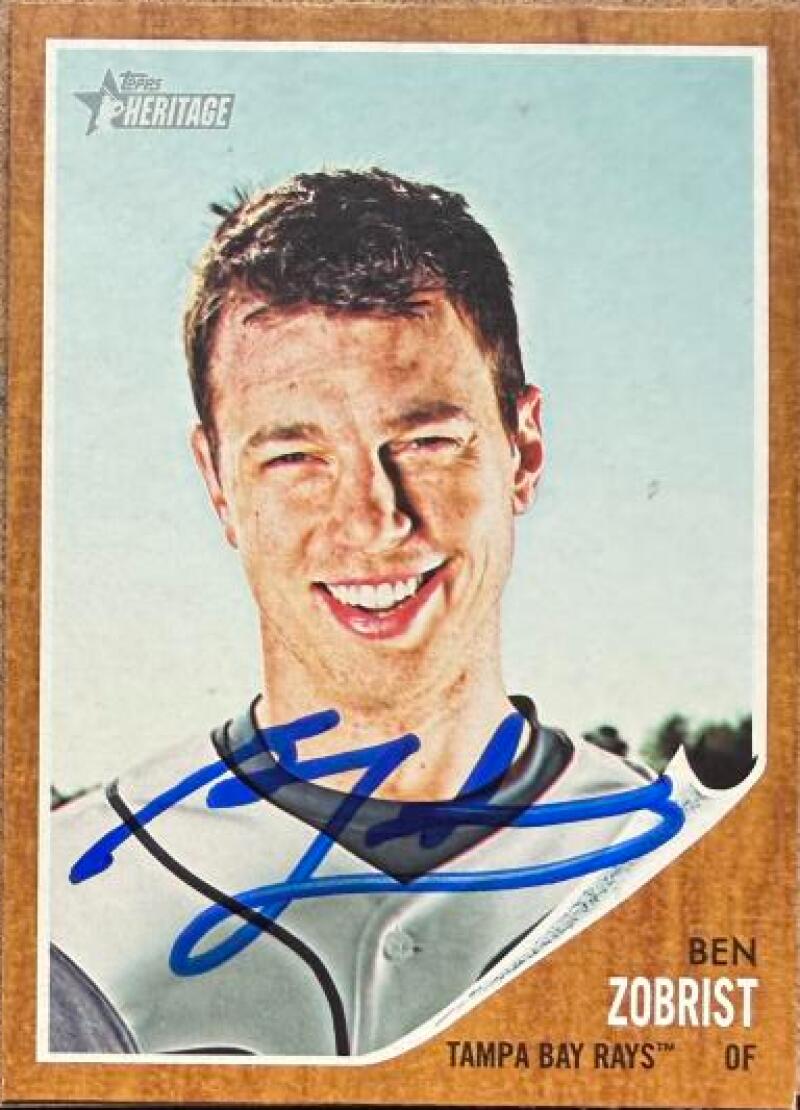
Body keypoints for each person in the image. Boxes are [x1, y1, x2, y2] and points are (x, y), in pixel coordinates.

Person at [49, 168, 666, 1058]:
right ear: (217, 482)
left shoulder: (685, 867)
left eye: (426, 441)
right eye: (295, 457)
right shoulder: (68, 908)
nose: (375, 521)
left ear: (523, 450)